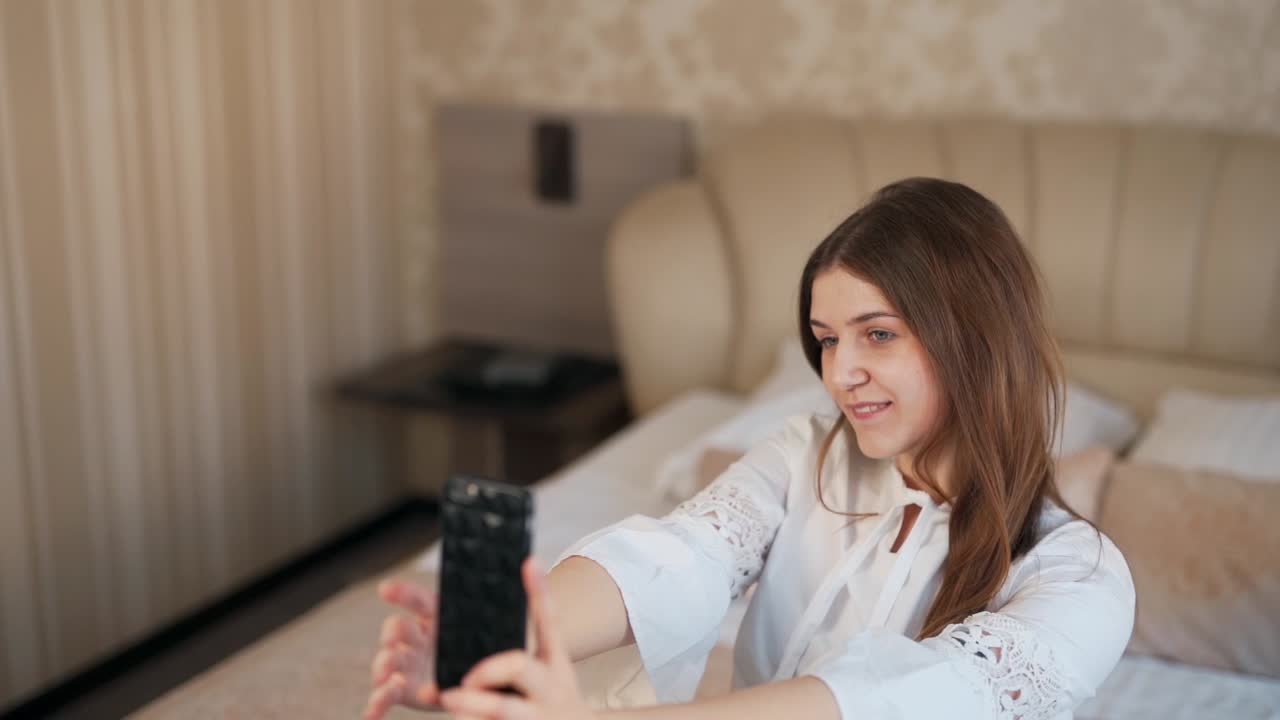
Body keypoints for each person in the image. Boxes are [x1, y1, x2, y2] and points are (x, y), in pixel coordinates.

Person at [364, 177, 1136, 720]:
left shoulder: (1082, 579)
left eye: (878, 335)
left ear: (977, 336)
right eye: (828, 340)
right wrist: (510, 638)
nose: (842, 373)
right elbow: (677, 557)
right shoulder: (803, 456)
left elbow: (899, 703)